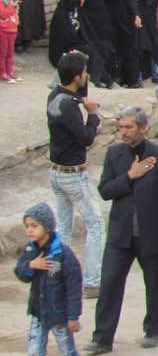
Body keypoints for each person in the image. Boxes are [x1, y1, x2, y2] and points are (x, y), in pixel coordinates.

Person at [83, 107, 158, 356]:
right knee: (109, 284)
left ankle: (153, 329)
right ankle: (102, 338)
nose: (124, 132)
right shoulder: (114, 154)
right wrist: (130, 176)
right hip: (120, 234)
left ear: (143, 128)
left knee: (154, 284)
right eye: (121, 127)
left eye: (129, 127)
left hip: (151, 233)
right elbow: (105, 191)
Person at [15, 202, 95, 356]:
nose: (30, 230)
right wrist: (31, 265)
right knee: (34, 353)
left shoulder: (63, 254)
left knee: (68, 352)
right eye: (27, 226)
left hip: (59, 315)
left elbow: (73, 287)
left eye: (34, 226)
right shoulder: (30, 250)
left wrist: (73, 317)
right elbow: (20, 273)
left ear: (47, 227)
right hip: (38, 314)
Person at [47, 51, 103, 296]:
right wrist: (93, 115)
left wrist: (79, 63)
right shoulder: (70, 107)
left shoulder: (55, 96)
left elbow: (80, 94)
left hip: (56, 172)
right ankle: (92, 281)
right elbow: (86, 138)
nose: (86, 76)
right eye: (84, 73)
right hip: (73, 174)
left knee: (63, 226)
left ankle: (57, 276)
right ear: (77, 77)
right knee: (96, 225)